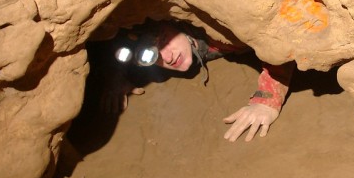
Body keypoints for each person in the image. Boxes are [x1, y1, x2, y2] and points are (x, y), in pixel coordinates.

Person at [101, 22, 294, 142]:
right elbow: (118, 45)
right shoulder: (166, 54)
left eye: (165, 41)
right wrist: (116, 79)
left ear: (175, 23)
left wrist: (267, 100)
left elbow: (275, 35)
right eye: (154, 56)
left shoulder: (216, 32)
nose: (168, 58)